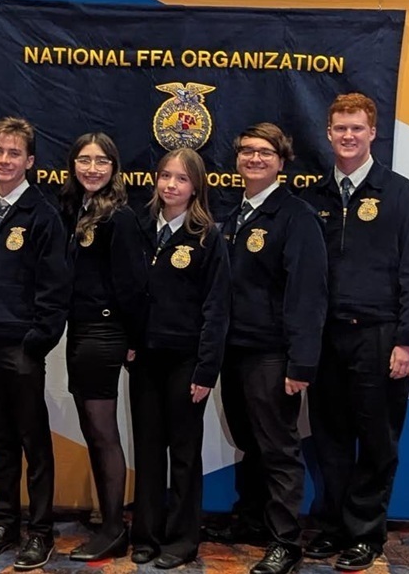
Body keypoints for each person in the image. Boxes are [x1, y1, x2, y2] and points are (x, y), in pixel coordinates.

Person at [301, 93, 409, 571]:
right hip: (324, 340)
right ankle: (335, 525)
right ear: (329, 133)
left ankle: (365, 535)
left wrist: (408, 340)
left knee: (377, 440)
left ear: (373, 132)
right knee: (330, 438)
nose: (349, 136)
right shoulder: (314, 198)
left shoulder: (399, 193)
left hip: (379, 338)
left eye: (357, 128)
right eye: (340, 128)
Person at [214, 123, 328, 574]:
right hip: (234, 350)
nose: (254, 159)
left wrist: (301, 361)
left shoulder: (295, 217)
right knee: (249, 441)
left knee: (279, 447)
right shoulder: (231, 213)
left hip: (272, 353)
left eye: (265, 152)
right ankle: (251, 518)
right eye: (246, 152)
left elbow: (308, 294)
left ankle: (286, 541)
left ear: (282, 162)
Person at [0, 117, 70, 570]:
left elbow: (55, 291)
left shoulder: (43, 216)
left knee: (33, 442)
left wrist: (36, 342)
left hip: (20, 349)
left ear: (29, 161)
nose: (4, 160)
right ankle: (6, 521)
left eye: (13, 153)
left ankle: (40, 531)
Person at [129, 148, 231, 569]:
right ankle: (147, 533)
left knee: (184, 452)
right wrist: (130, 341)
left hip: (187, 361)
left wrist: (207, 369)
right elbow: (126, 291)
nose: (171, 185)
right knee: (148, 449)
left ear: (196, 188)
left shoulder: (208, 237)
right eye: (165, 176)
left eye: (181, 179)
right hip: (145, 359)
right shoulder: (137, 227)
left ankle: (182, 538)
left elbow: (217, 308)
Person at [59, 132, 147, 562]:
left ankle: (114, 527)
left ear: (114, 168)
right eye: (84, 160)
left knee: (103, 433)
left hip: (105, 334)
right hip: (80, 331)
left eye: (101, 161)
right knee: (94, 433)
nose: (91, 168)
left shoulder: (120, 217)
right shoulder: (76, 210)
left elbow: (132, 286)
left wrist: (132, 339)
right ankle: (107, 517)